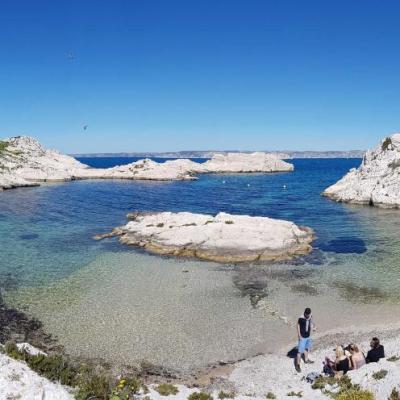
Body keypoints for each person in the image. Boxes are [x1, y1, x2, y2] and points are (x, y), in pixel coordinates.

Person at [295, 307, 315, 372]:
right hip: (302, 337)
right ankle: (297, 365)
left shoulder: (310, 316)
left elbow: (311, 322)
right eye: (307, 315)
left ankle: (306, 360)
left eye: (308, 315)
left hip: (308, 336)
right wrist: (299, 335)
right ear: (305, 313)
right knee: (300, 352)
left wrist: (314, 327)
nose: (307, 316)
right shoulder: (301, 318)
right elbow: (297, 325)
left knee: (307, 348)